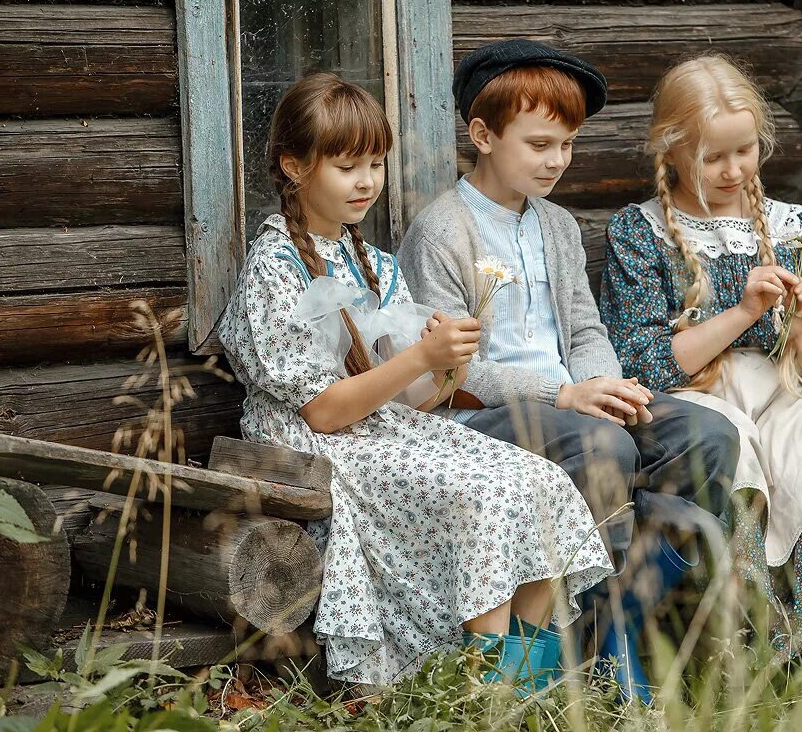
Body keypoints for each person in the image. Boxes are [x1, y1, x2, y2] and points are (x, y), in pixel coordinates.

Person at [217, 72, 613, 689]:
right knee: (479, 494)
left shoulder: (372, 263)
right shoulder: (275, 266)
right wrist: (419, 359)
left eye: (375, 164)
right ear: (294, 166)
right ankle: (480, 692)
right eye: (348, 166)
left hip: (382, 428)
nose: (367, 182)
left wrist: (448, 364)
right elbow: (322, 412)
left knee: (538, 479)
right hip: (310, 445)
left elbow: (417, 400)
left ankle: (521, 685)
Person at [398, 41, 741, 699]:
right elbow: (454, 371)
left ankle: (613, 626)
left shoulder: (555, 224)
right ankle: (560, 652)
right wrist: (565, 392)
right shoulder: (443, 233)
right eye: (539, 143)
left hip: (574, 398)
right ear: (482, 135)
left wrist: (612, 386)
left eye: (568, 144)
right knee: (605, 447)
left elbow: (583, 328)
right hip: (481, 414)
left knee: (706, 438)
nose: (557, 160)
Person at [599, 54, 802, 655]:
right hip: (695, 395)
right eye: (712, 157)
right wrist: (745, 313)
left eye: (745, 151)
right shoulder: (639, 230)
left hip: (779, 388)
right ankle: (754, 637)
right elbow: (642, 361)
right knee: (740, 465)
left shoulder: (795, 227)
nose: (733, 170)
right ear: (670, 151)